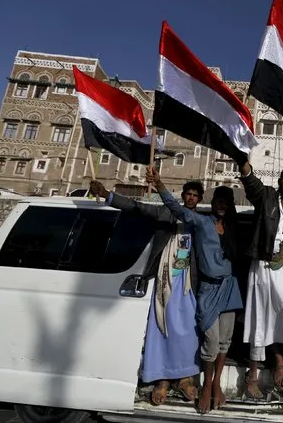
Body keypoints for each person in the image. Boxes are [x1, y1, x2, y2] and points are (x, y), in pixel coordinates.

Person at [88, 179, 203, 405]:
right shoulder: (165, 213)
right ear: (183, 196)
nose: (190, 198)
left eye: (194, 195)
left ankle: (185, 378)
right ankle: (162, 379)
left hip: (188, 284)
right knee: (162, 329)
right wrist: (107, 194)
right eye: (187, 194)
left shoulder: (200, 222)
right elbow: (137, 207)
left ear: (200, 199)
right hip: (164, 282)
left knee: (188, 332)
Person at [145, 167, 243, 414]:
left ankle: (215, 384)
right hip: (208, 289)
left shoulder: (234, 227)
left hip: (230, 288)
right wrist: (159, 184)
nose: (221, 205)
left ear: (230, 205)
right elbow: (177, 210)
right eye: (218, 201)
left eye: (226, 202)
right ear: (212, 203)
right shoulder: (202, 221)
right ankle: (206, 388)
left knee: (224, 341)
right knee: (210, 340)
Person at [237, 161, 283, 398]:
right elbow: (250, 182)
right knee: (261, 317)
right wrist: (241, 160)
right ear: (280, 181)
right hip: (264, 264)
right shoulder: (266, 198)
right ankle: (255, 373)